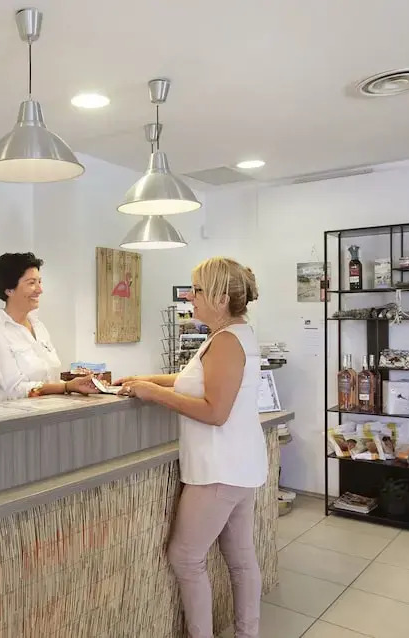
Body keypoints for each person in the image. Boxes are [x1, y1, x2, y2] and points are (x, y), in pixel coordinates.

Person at [117, 257, 265, 638]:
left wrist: (153, 394)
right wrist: (148, 379)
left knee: (185, 557)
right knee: (240, 559)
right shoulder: (232, 335)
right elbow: (195, 380)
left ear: (220, 298)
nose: (190, 297)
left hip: (219, 470)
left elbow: (215, 411)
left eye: (196, 290)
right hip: (239, 465)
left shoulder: (226, 342)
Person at [0, 252, 98, 403]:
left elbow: (49, 379)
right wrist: (66, 386)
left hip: (44, 412)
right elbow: (15, 390)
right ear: (9, 290)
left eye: (40, 282)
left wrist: (76, 385)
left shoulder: (39, 327)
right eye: (31, 283)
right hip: (8, 416)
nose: (40, 290)